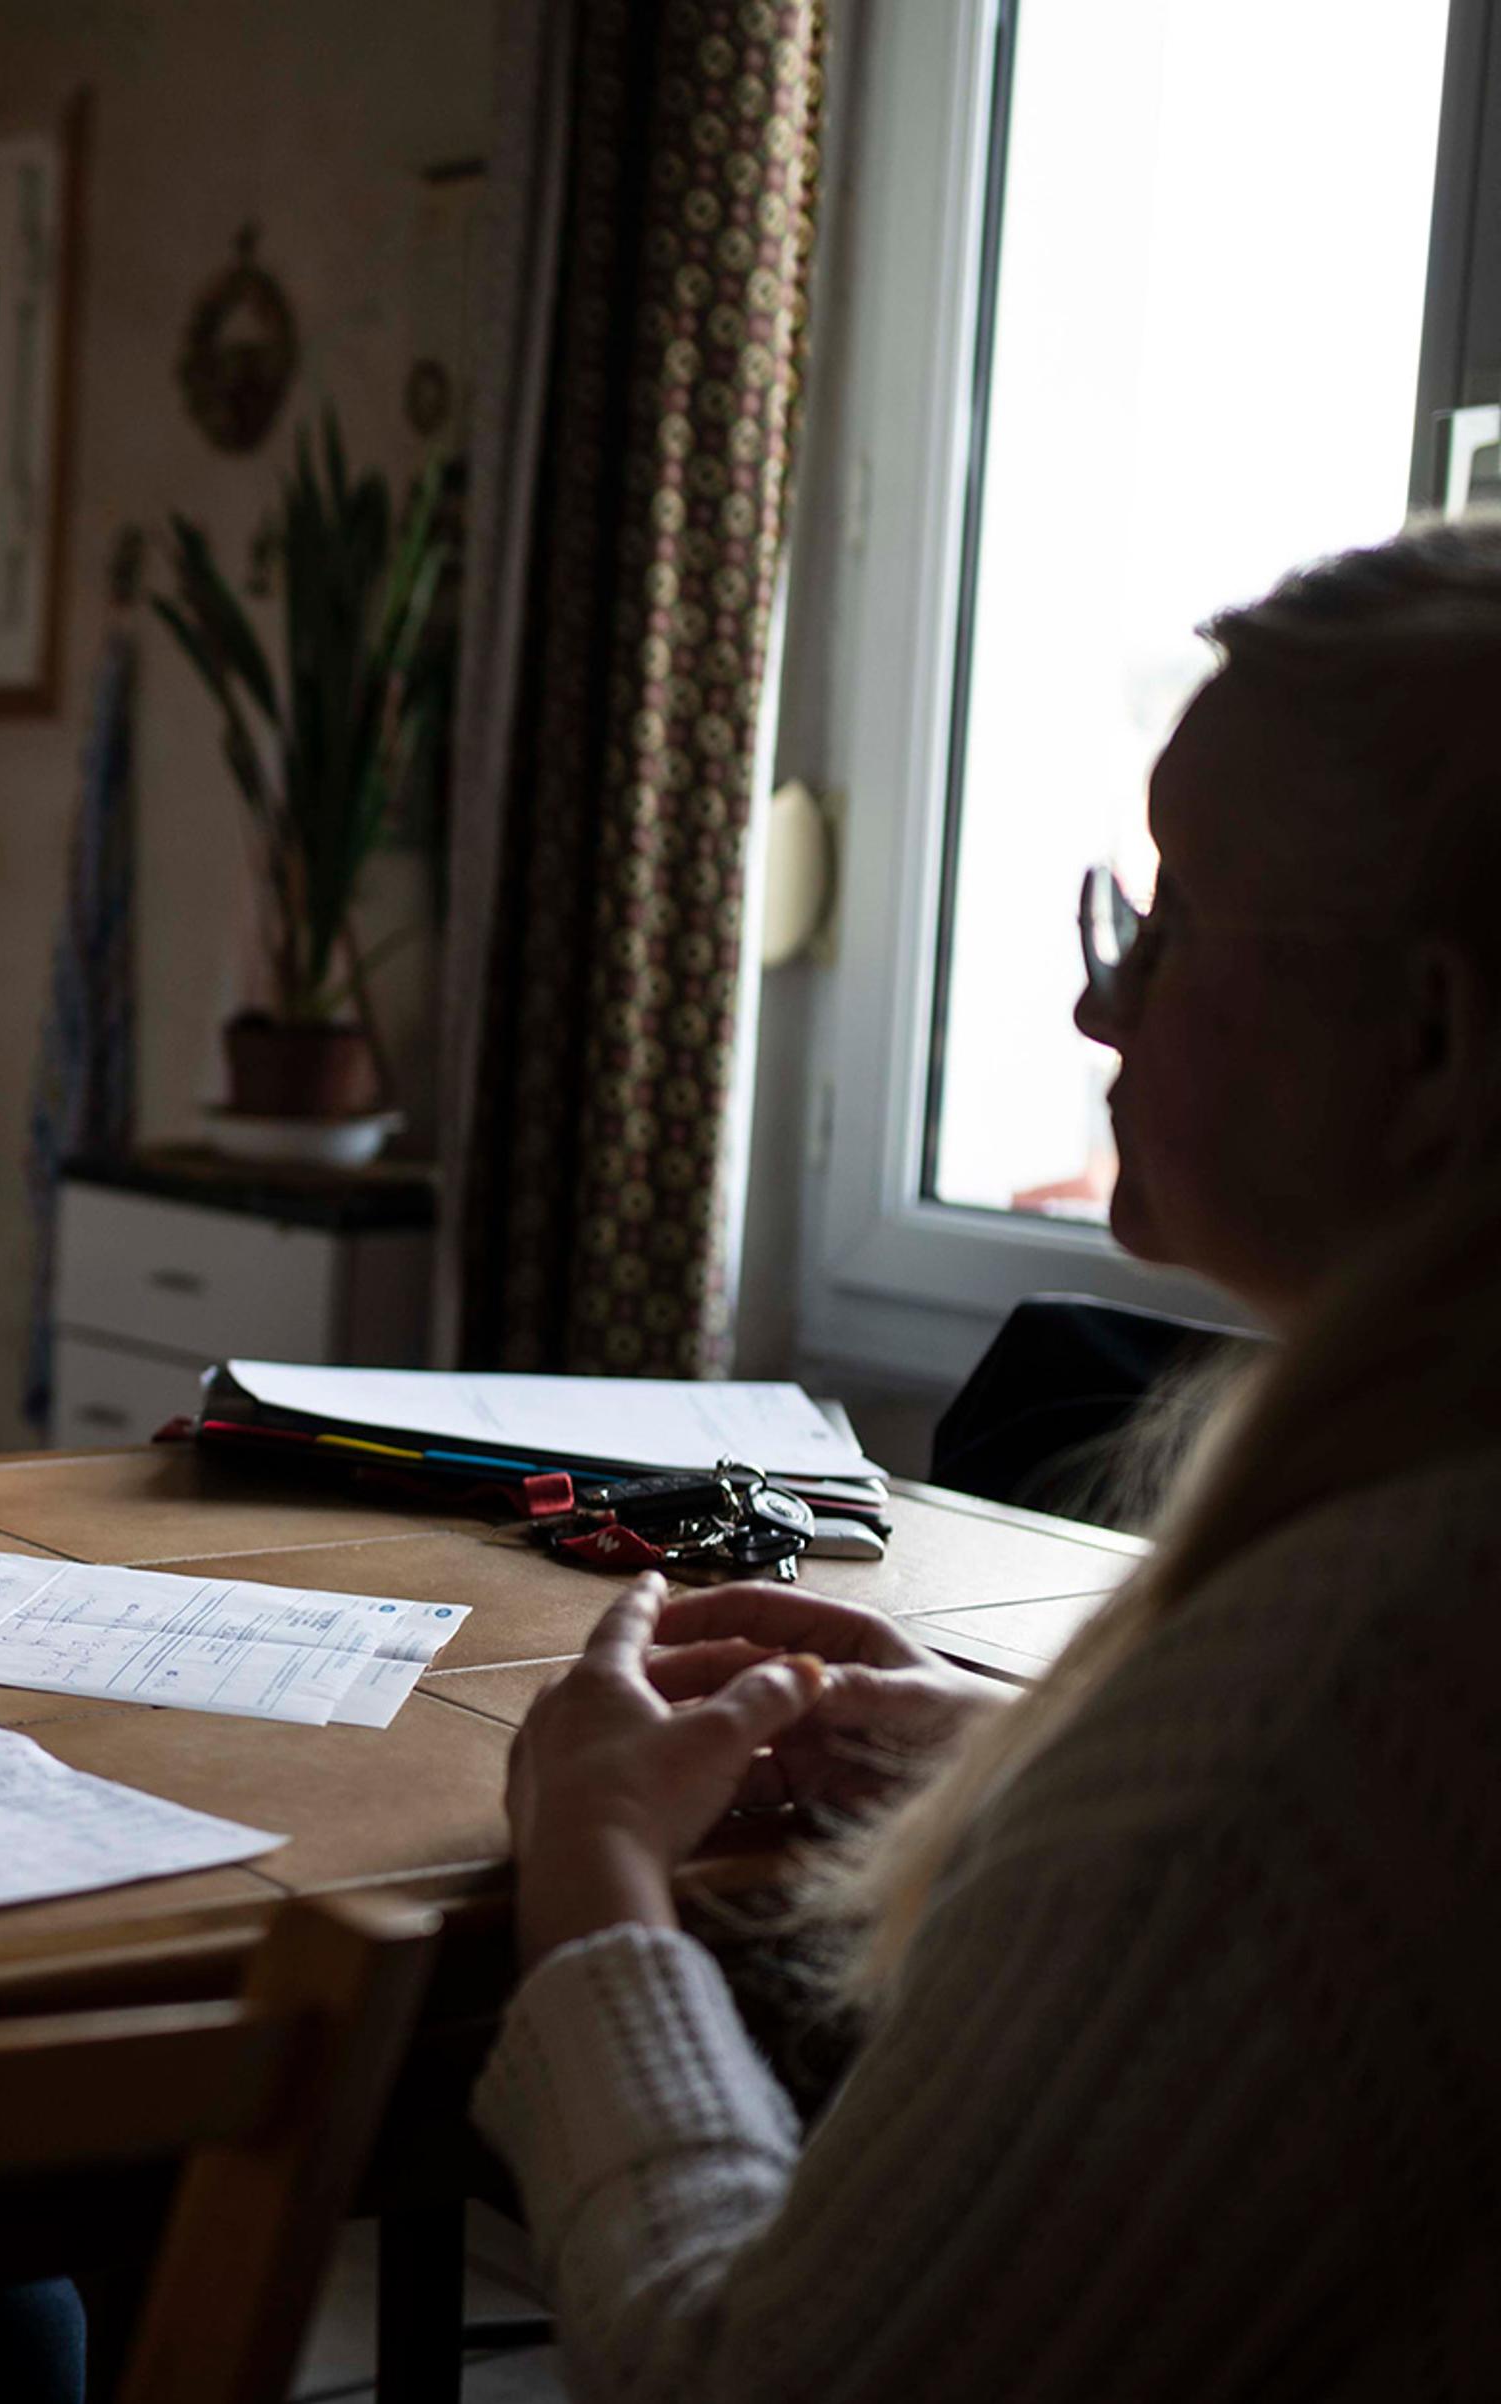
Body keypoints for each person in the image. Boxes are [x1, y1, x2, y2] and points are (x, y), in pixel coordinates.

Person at [477, 521, 1501, 2401]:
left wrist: (595, 1862)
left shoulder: (1317, 1699)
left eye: (1173, 919)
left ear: (1432, 1035)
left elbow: (739, 2375)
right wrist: (1022, 1751)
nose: (1102, 1003)